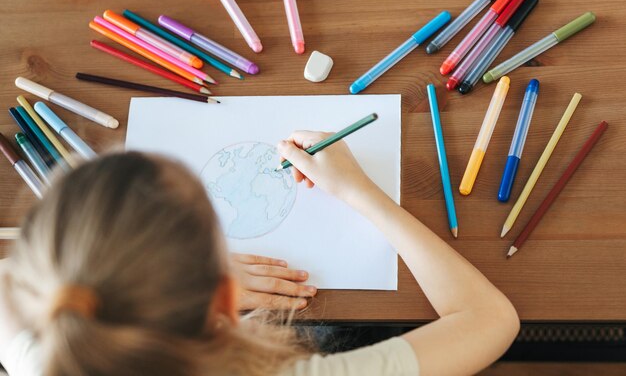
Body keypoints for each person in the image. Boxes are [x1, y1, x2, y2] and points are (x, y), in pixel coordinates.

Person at [0, 131, 519, 376]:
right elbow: (489, 319)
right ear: (226, 301)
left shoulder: (38, 361)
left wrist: (188, 284)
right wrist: (362, 193)